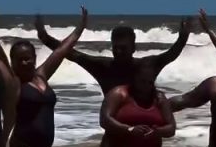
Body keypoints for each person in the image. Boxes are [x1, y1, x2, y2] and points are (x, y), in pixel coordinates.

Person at [0, 3, 88, 147]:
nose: (24, 63)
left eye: (28, 59)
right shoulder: (14, 81)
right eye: (19, 60)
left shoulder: (42, 75)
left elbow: (62, 50)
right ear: (13, 62)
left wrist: (80, 28)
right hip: (23, 146)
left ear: (34, 59)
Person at [36, 16, 190, 95]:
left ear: (133, 48)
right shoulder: (103, 67)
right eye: (115, 48)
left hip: (144, 134)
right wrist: (45, 37)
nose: (118, 52)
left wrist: (183, 37)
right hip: (114, 134)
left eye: (123, 48)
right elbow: (71, 54)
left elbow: (171, 54)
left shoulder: (146, 66)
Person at [100, 60, 176, 147]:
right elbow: (105, 120)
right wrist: (129, 129)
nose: (146, 86)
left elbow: (171, 128)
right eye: (142, 81)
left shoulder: (159, 98)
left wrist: (157, 132)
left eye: (150, 82)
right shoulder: (119, 94)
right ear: (134, 79)